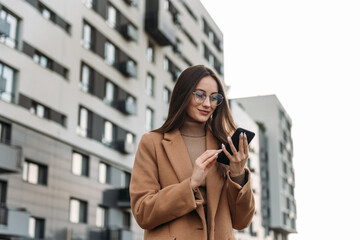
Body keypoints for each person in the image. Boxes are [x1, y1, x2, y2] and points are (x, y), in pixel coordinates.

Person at [130, 65, 255, 240]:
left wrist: (238, 175)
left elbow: (242, 221)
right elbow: (142, 212)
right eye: (200, 95)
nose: (207, 104)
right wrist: (190, 185)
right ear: (184, 94)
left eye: (213, 98)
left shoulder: (225, 147)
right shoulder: (152, 143)